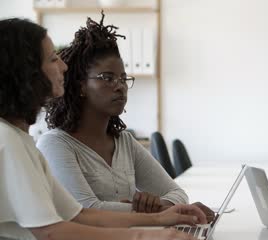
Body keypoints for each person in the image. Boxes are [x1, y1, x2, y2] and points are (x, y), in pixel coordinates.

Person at [0, 18, 207, 240]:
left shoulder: (19, 139)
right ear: (26, 71)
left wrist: (162, 218)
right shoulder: (8, 140)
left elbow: (80, 215)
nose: (64, 66)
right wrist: (146, 237)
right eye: (53, 59)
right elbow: (52, 234)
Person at [36, 13, 213, 218]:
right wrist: (161, 210)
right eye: (107, 78)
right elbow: (86, 209)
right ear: (81, 85)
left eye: (123, 78)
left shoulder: (124, 142)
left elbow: (177, 193)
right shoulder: (55, 144)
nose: (120, 87)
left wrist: (154, 205)